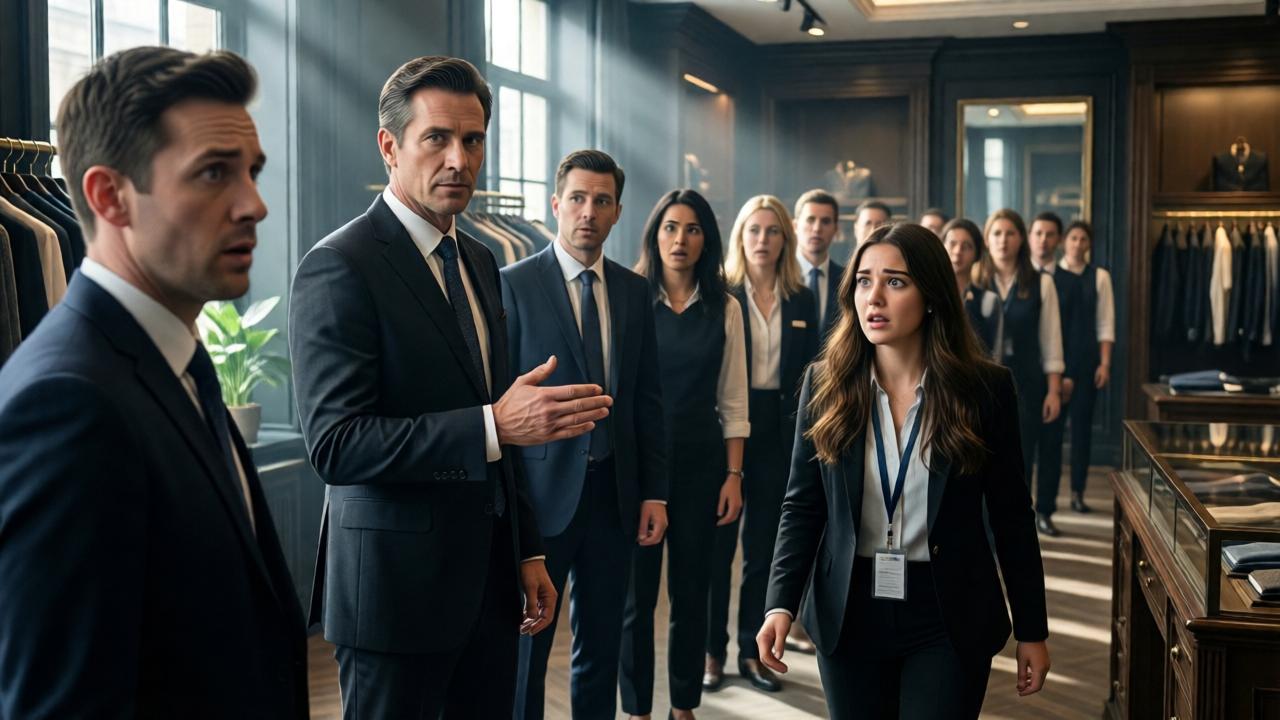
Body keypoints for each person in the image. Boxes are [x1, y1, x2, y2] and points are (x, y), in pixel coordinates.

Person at [0, 47, 308, 717]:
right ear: (109, 196)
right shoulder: (69, 406)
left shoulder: (173, 362)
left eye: (252, 172)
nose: (255, 205)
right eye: (214, 173)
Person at [290, 56, 589, 719]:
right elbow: (337, 445)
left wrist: (527, 548)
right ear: (389, 145)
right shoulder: (338, 265)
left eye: (473, 140)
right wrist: (492, 426)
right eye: (437, 138)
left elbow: (503, 416)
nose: (460, 159)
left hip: (490, 587)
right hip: (394, 597)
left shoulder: (480, 258)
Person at [756, 223, 1051, 720]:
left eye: (895, 281)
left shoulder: (985, 390)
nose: (874, 297)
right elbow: (802, 506)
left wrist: (1032, 629)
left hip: (948, 611)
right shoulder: (825, 385)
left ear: (931, 295)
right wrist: (779, 604)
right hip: (849, 610)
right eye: (864, 281)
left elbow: (1012, 517)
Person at [503, 149, 669, 720]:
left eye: (602, 201)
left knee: (600, 646)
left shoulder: (633, 290)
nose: (588, 212)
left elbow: (648, 399)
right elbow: (503, 402)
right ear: (556, 204)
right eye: (577, 198)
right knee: (529, 648)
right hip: (540, 502)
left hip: (614, 496)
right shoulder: (513, 285)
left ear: (618, 211)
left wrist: (654, 491)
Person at [619, 189, 750, 720]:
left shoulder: (726, 306)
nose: (680, 239)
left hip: (702, 467)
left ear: (706, 240)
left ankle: (683, 705)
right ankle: (637, 710)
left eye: (692, 229)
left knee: (692, 593)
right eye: (670, 227)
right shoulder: (629, 297)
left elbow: (734, 400)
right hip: (639, 468)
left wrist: (734, 474)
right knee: (636, 600)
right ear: (654, 235)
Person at [705, 195, 819, 694]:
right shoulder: (720, 292)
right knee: (718, 549)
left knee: (763, 551)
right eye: (754, 230)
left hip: (780, 432)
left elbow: (810, 375)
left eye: (773, 231)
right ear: (740, 236)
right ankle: (711, 651)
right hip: (728, 427)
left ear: (785, 240)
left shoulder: (802, 298)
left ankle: (751, 653)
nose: (763, 240)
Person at [973, 210, 1064, 529]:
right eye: (996, 233)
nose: (1003, 240)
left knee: (1020, 456)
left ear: (1021, 239)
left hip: (1025, 381)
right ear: (986, 239)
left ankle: (1019, 523)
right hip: (980, 381)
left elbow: (1051, 340)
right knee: (980, 456)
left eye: (1010, 233)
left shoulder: (1041, 282)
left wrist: (1054, 390)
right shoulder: (974, 280)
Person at [1026, 211, 1078, 537]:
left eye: (1049, 234)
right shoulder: (1018, 278)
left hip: (1059, 375)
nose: (1043, 240)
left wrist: (1065, 376)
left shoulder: (1070, 281)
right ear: (1029, 237)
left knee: (1051, 447)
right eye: (1038, 233)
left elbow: (1074, 333)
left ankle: (1045, 511)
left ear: (1058, 240)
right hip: (1026, 376)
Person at [1057, 221, 1114, 513]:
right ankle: (1047, 498)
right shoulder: (1051, 275)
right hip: (1056, 363)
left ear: (1089, 244)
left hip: (1088, 363)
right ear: (1064, 242)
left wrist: (1105, 363)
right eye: (1074, 238)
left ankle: (1077, 492)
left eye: (1083, 239)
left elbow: (1105, 322)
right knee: (1052, 435)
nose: (1078, 244)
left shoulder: (1100, 277)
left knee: (1082, 432)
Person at [941, 217, 1001, 357]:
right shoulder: (927, 295)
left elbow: (995, 354)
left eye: (967, 246)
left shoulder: (988, 300)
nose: (958, 251)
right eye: (952, 243)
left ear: (977, 254)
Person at [794, 188, 846, 339]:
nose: (817, 228)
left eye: (825, 221)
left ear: (836, 229)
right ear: (795, 226)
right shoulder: (777, 276)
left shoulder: (846, 279)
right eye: (810, 220)